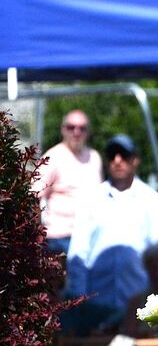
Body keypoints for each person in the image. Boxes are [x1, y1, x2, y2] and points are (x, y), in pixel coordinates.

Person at [67, 134, 158, 331]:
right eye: (112, 155)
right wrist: (80, 302)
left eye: (123, 155)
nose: (117, 160)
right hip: (96, 310)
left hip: (140, 310)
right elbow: (78, 255)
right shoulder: (91, 200)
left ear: (135, 160)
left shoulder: (153, 202)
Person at [33, 109, 103, 255]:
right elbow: (34, 196)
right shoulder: (53, 157)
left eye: (82, 128)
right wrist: (37, 234)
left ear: (88, 132)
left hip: (91, 237)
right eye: (71, 127)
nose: (76, 132)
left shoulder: (94, 157)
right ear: (63, 129)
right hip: (60, 239)